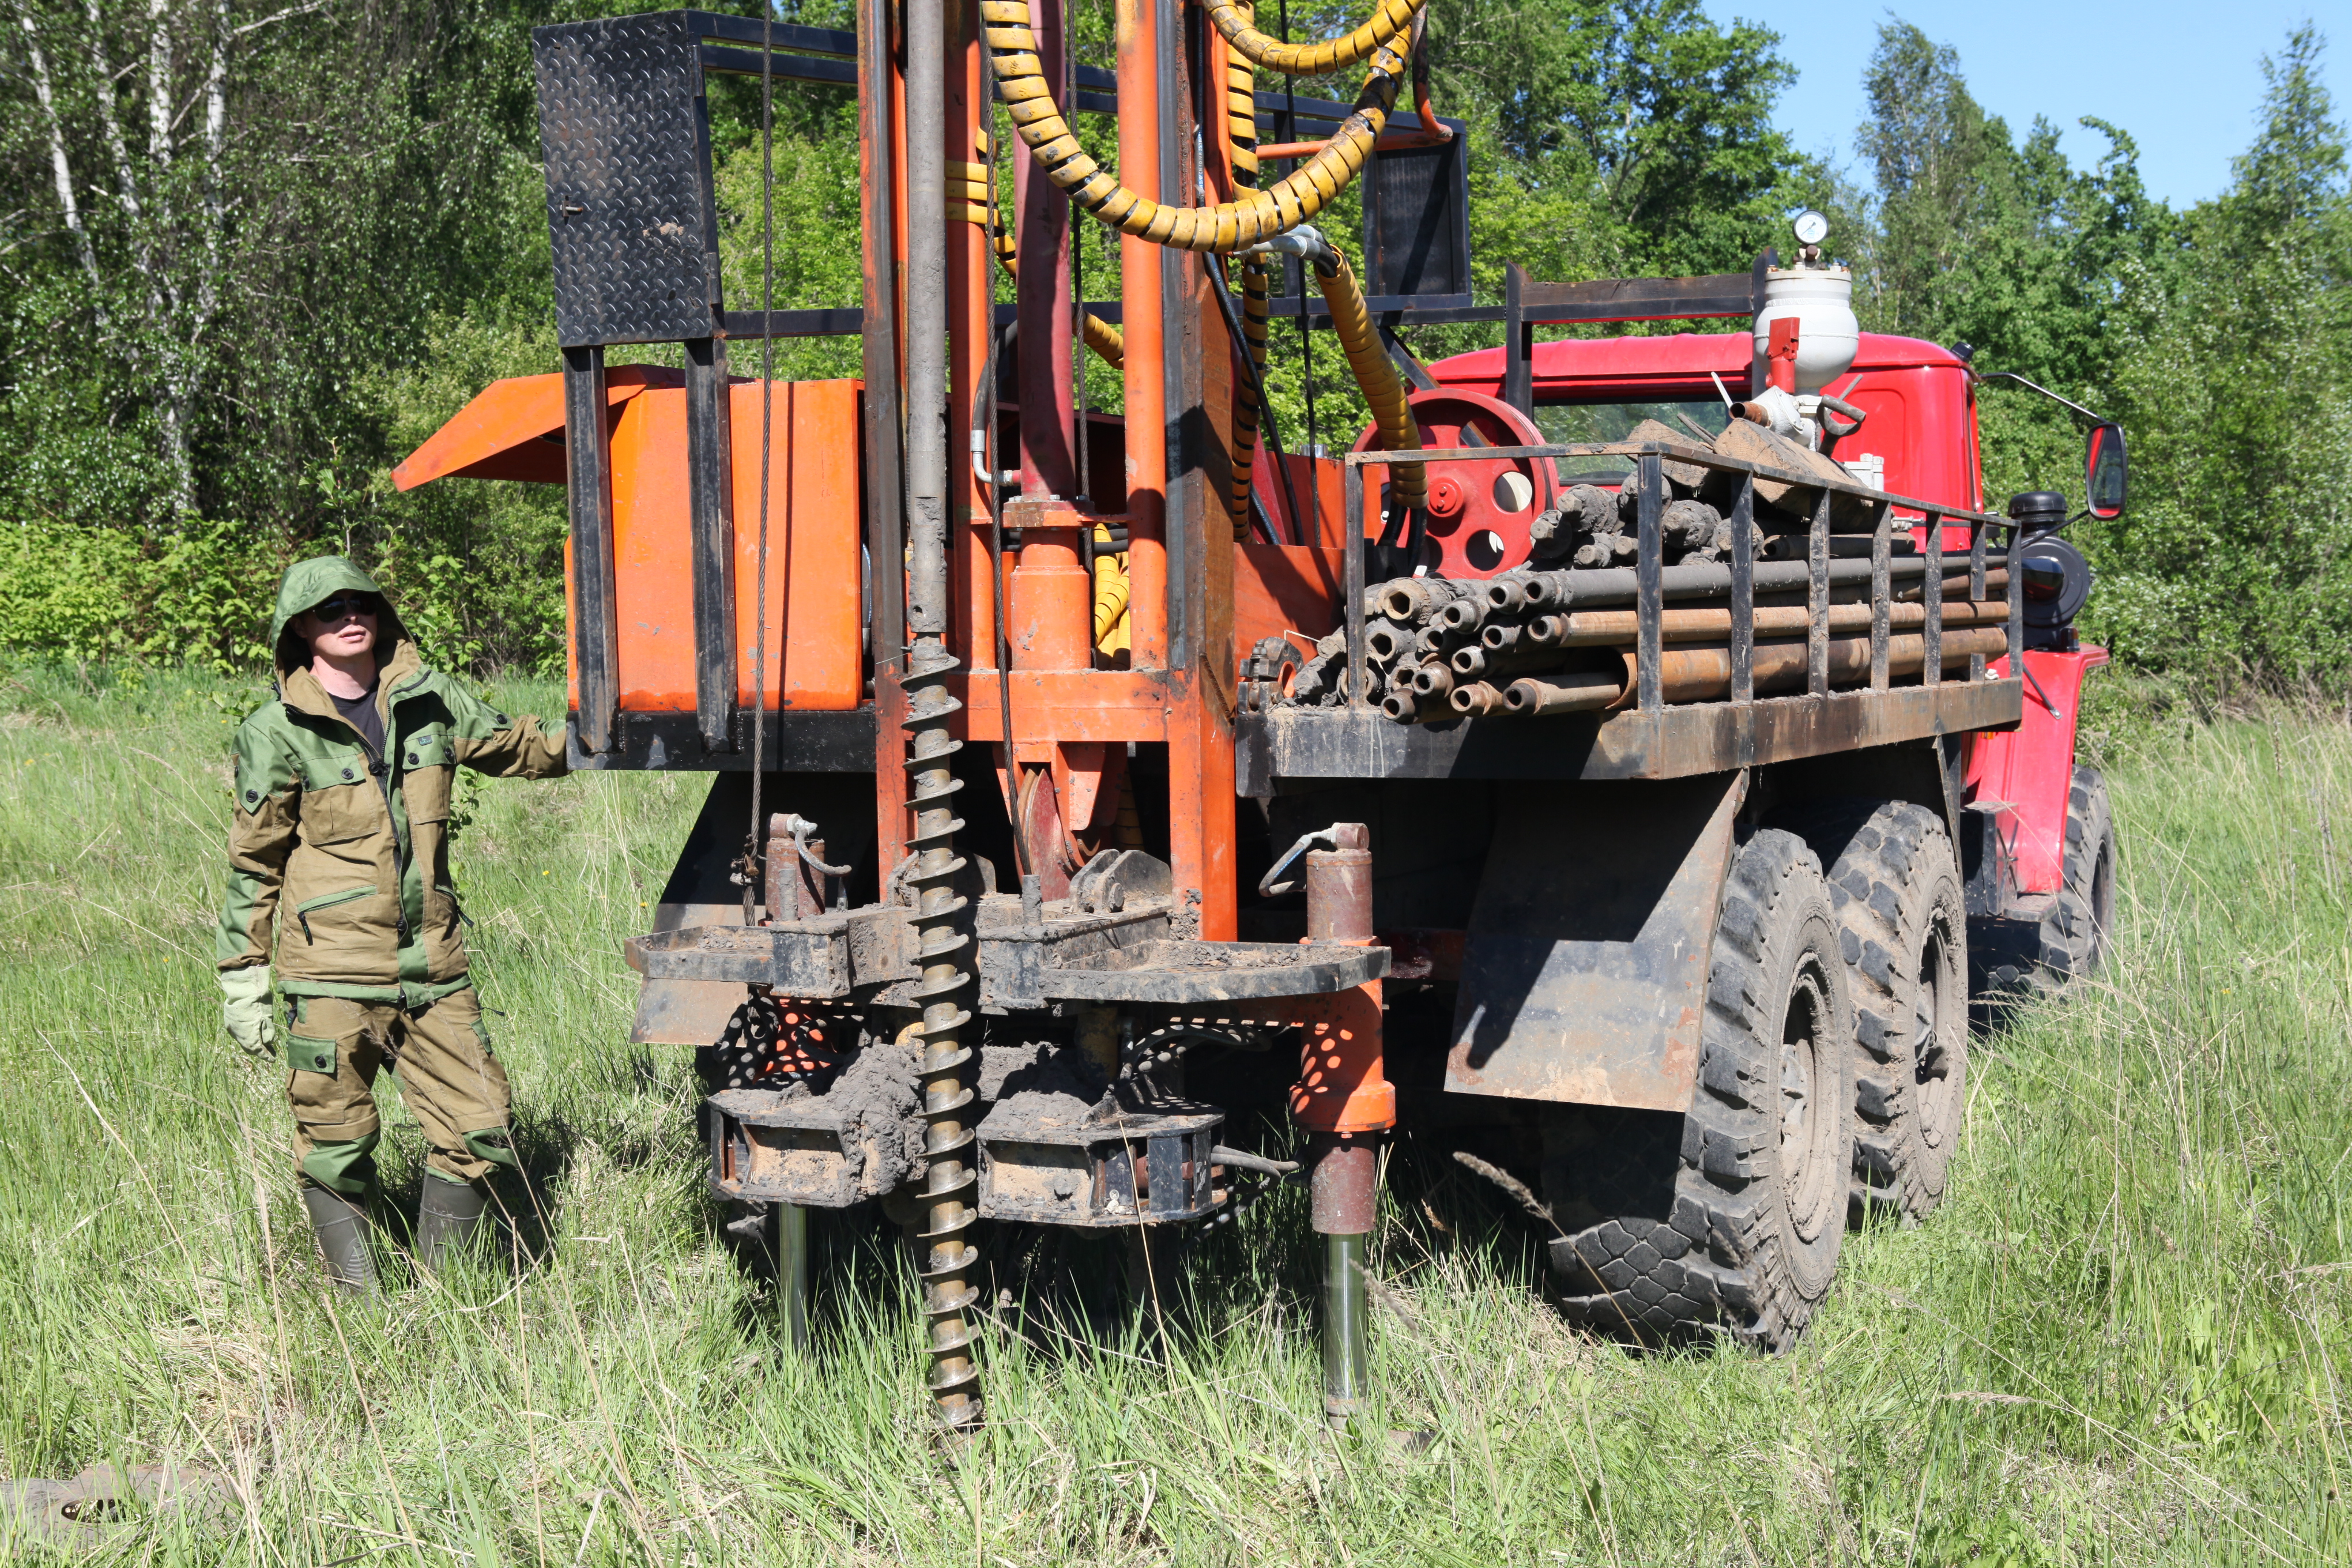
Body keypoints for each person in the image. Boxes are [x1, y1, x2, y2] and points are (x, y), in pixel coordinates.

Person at [216, 557, 567, 1291]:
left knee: (483, 1126)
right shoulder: (275, 731)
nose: (350, 615)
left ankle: (442, 1294)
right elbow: (255, 862)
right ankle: (361, 1301)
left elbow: (521, 746)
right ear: (300, 632)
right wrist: (243, 975)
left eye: (361, 602)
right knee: (335, 1142)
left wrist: (617, 725)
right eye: (329, 609)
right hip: (331, 975)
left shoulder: (430, 700)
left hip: (433, 969)